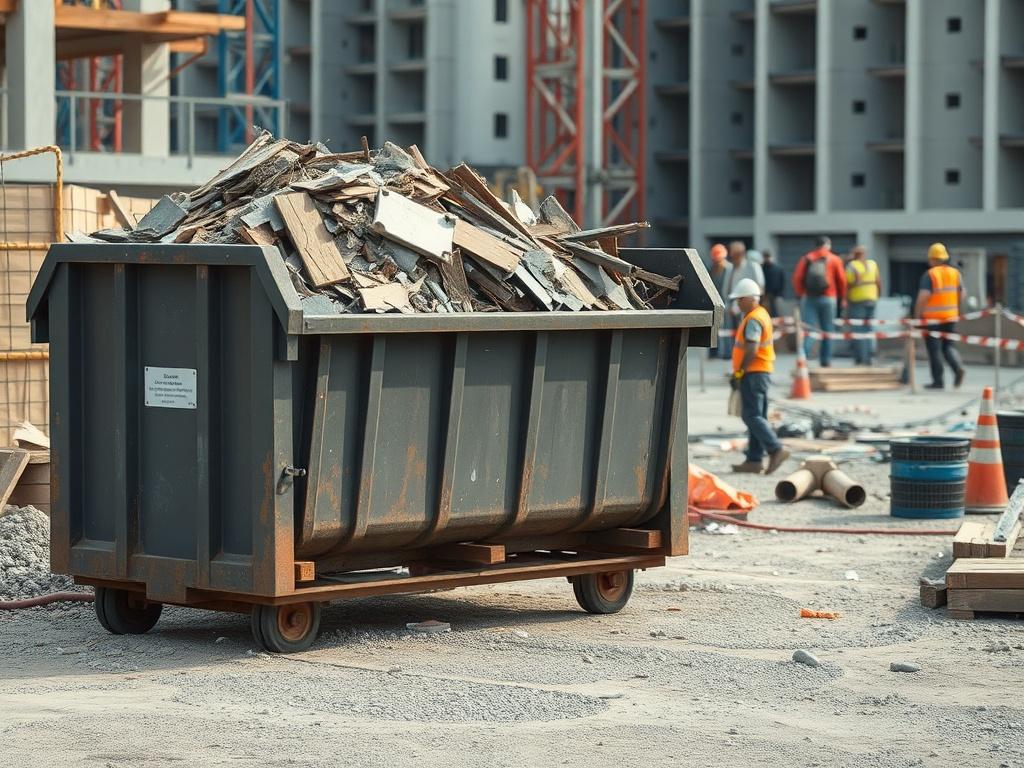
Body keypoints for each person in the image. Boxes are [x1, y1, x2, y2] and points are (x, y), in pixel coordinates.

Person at [728, 277, 790, 475]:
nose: (738, 303)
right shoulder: (761, 314)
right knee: (758, 415)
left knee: (751, 415)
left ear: (751, 299)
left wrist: (739, 372)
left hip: (753, 372)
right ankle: (754, 460)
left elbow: (752, 348)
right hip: (761, 371)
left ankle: (775, 449)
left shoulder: (753, 319)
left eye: (740, 299)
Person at [915, 242, 965, 390]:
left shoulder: (930, 274)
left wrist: (917, 316)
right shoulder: (955, 273)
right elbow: (962, 293)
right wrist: (956, 309)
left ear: (932, 259)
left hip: (932, 318)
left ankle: (938, 381)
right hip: (950, 316)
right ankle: (957, 368)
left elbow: (923, 296)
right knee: (948, 346)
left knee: (934, 349)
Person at [792, 236, 846, 367]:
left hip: (809, 298)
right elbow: (842, 281)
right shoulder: (835, 259)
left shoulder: (806, 258)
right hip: (829, 298)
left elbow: (797, 278)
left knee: (809, 330)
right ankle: (825, 361)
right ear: (828, 245)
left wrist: (801, 294)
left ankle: (802, 360)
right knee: (828, 331)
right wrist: (842, 298)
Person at [718, 241, 765, 359]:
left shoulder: (752, 267)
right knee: (729, 331)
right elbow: (726, 288)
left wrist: (743, 304)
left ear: (741, 253)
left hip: (747, 306)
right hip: (731, 305)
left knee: (745, 332)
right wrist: (729, 304)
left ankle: (744, 354)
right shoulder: (730, 268)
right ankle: (729, 354)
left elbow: (760, 287)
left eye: (734, 254)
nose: (732, 257)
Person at [845, 245, 882, 366]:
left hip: (857, 300)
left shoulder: (852, 266)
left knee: (858, 329)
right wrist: (877, 295)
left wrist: (845, 299)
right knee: (869, 329)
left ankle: (860, 358)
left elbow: (847, 284)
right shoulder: (872, 264)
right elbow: (878, 282)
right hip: (872, 298)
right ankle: (869, 357)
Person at [708, 243, 728, 358]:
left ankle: (724, 352)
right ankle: (714, 352)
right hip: (715, 303)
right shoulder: (712, 270)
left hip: (725, 302)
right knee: (715, 328)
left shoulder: (728, 269)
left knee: (725, 328)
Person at [761, 249, 785, 318]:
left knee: (776, 313)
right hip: (766, 295)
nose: (767, 258)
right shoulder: (762, 268)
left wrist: (781, 294)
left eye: (769, 256)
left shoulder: (778, 268)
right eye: (766, 257)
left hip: (776, 295)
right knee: (766, 313)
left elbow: (782, 281)